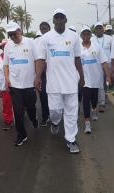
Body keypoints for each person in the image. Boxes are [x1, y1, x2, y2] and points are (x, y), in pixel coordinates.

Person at [35, 9, 84, 154]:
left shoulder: (74, 37)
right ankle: (55, 122)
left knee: (71, 112)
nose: (59, 20)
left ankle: (71, 139)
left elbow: (77, 58)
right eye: (57, 18)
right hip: (53, 83)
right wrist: (37, 77)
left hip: (71, 82)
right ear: (53, 21)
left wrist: (82, 77)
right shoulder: (46, 38)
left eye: (62, 18)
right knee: (55, 111)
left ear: (66, 20)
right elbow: (40, 59)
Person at [4, 21, 39, 146]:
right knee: (18, 112)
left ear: (19, 31)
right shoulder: (8, 46)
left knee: (31, 108)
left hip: (29, 84)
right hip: (15, 86)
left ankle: (34, 118)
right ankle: (21, 135)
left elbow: (37, 61)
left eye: (14, 34)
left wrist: (37, 78)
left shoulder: (30, 42)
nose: (12, 37)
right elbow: (6, 65)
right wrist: (7, 79)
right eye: (10, 35)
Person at [80, 26, 110, 134]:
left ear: (90, 35)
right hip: (84, 79)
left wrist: (108, 75)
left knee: (94, 98)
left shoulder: (97, 47)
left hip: (96, 78)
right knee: (86, 99)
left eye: (88, 34)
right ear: (81, 36)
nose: (86, 36)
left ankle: (94, 110)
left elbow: (104, 61)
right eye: (84, 34)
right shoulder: (78, 48)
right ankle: (87, 123)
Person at [91, 21, 113, 112]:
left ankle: (104, 98)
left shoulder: (109, 38)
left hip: (107, 63)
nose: (99, 29)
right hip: (96, 64)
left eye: (100, 28)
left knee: (105, 81)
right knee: (98, 82)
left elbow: (113, 51)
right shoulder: (92, 39)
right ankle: (99, 99)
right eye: (97, 28)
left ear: (103, 29)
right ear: (95, 30)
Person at [35, 21, 51, 127]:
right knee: (43, 95)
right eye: (42, 28)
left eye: (46, 28)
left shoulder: (54, 39)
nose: (44, 29)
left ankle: (54, 115)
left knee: (54, 95)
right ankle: (45, 117)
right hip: (42, 74)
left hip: (54, 73)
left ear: (49, 29)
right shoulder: (36, 41)